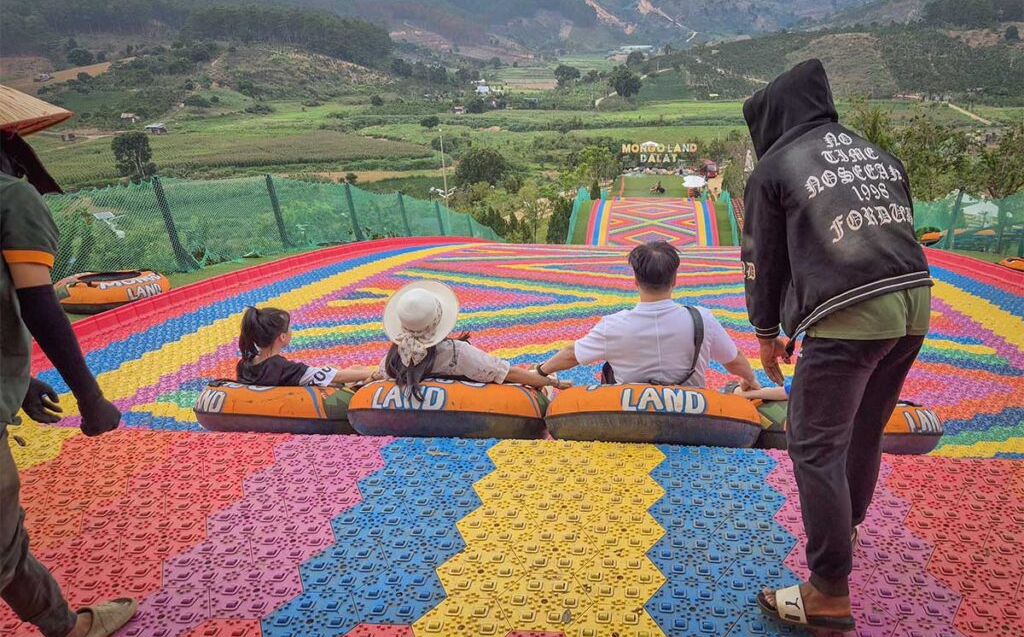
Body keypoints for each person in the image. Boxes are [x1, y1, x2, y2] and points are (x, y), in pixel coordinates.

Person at [741, 60, 931, 631]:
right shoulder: (876, 154)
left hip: (850, 313)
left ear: (772, 117)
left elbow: (762, 260)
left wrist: (767, 333)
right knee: (863, 429)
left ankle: (827, 591)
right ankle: (842, 526)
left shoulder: (775, 167)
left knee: (814, 444)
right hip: (914, 302)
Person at [1, 92, 137, 637]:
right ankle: (66, 632)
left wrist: (19, 379)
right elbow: (40, 305)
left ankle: (62, 625)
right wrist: (91, 398)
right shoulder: (11, 196)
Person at [534, 241, 760, 389]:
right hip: (691, 414)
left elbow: (572, 354)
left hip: (631, 416)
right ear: (674, 280)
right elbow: (735, 360)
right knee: (732, 389)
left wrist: (540, 372)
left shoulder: (612, 325)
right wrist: (750, 381)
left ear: (635, 281)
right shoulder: (702, 319)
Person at [381, 280, 569, 400]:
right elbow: (505, 373)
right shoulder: (456, 353)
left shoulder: (395, 358)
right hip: (471, 410)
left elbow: (379, 373)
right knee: (538, 384)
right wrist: (552, 383)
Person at [235, 306, 374, 387]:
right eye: (289, 328)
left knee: (332, 367)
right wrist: (374, 372)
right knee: (357, 371)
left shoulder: (245, 364)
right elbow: (338, 377)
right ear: (282, 337)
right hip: (299, 400)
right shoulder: (283, 368)